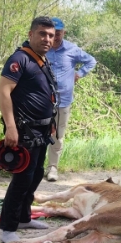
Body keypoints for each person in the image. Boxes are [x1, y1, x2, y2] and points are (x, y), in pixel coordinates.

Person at [0, 16, 59, 243]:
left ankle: (23, 217)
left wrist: (50, 122)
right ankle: (8, 227)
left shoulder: (42, 61)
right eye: (42, 34)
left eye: (51, 35)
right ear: (31, 34)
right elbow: (4, 91)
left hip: (42, 131)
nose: (47, 39)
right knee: (22, 178)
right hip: (24, 131)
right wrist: (10, 127)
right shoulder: (19, 59)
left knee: (36, 175)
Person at [44, 17, 96, 182]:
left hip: (63, 100)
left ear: (63, 32)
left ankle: (52, 168)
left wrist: (79, 74)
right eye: (53, 33)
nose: (56, 36)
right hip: (42, 99)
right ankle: (35, 166)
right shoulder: (41, 48)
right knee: (37, 133)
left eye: (59, 33)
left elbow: (91, 61)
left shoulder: (72, 49)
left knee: (57, 135)